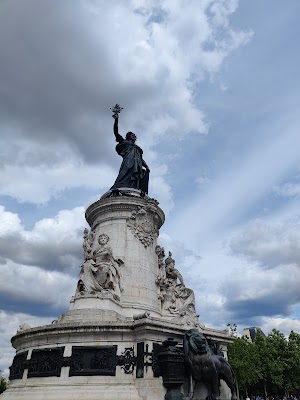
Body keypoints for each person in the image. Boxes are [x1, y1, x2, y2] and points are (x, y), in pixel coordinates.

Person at [110, 115, 150, 193]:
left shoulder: (137, 148)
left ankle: (134, 187)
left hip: (137, 162)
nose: (134, 137)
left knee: (137, 176)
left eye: (135, 136)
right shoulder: (124, 142)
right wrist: (116, 120)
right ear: (128, 136)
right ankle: (119, 184)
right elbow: (116, 132)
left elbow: (141, 158)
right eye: (132, 135)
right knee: (125, 171)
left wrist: (146, 166)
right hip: (129, 159)